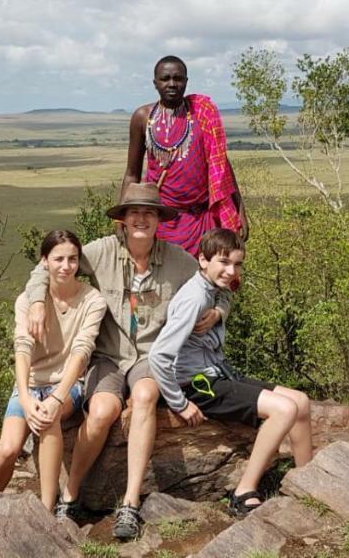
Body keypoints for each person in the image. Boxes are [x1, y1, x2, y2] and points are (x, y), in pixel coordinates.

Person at [23, 182, 229, 540]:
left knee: (147, 396)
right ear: (121, 219)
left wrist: (218, 311)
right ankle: (70, 495)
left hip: (151, 356)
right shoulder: (100, 252)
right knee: (102, 411)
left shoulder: (179, 260)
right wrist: (38, 301)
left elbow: (220, 282)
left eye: (149, 212)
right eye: (134, 212)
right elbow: (49, 265)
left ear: (158, 219)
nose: (141, 219)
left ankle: (130, 504)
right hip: (108, 356)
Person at [149, 228, 313, 517]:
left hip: (216, 372)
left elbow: (224, 299)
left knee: (300, 402)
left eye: (237, 264)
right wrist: (179, 402)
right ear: (203, 260)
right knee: (285, 410)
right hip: (196, 384)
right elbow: (160, 355)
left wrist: (219, 313)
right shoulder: (194, 298)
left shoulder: (213, 290)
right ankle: (244, 491)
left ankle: (307, 481)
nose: (230, 271)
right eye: (224, 262)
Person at [0, 230, 106, 512]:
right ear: (45, 262)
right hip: (30, 384)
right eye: (58, 259)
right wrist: (25, 397)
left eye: (73, 259)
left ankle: (45, 508)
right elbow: (23, 348)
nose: (66, 266)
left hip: (67, 383)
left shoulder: (92, 300)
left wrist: (56, 398)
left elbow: (81, 351)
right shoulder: (28, 301)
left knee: (50, 419)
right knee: (7, 450)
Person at [123, 55, 247, 256]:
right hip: (161, 219)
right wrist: (122, 218)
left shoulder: (202, 114)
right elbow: (131, 174)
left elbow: (220, 166)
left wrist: (239, 208)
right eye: (165, 79)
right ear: (155, 83)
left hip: (203, 220)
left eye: (178, 79)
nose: (172, 84)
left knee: (210, 277)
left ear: (186, 82)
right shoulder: (142, 117)